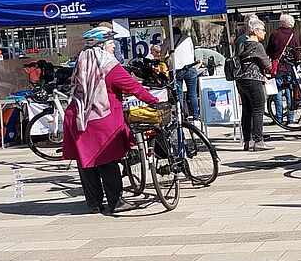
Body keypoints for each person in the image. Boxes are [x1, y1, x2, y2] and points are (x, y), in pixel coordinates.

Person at [63, 26, 161, 215]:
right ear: (101, 45)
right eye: (110, 43)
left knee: (86, 162)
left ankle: (94, 203)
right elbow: (132, 86)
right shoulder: (107, 63)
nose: (113, 47)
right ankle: (116, 202)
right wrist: (154, 100)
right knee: (107, 160)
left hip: (77, 116)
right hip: (100, 119)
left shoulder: (82, 59)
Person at [235, 17, 273, 151]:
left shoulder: (242, 44)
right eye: (263, 30)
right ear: (255, 31)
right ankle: (258, 140)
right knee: (258, 109)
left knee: (247, 110)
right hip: (254, 79)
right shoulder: (257, 46)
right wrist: (268, 62)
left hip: (241, 80)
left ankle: (247, 141)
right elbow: (268, 65)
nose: (264, 32)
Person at [267, 14, 301, 122]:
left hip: (277, 67)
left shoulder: (275, 35)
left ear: (281, 23)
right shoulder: (294, 36)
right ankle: (290, 117)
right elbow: (297, 53)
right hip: (290, 67)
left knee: (277, 92)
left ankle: (278, 117)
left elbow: (269, 51)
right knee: (289, 92)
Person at [168, 23, 200, 119]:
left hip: (176, 70)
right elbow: (192, 52)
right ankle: (196, 117)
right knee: (192, 94)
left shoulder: (169, 39)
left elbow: (162, 53)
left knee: (179, 94)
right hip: (190, 68)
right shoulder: (187, 38)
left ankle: (181, 116)